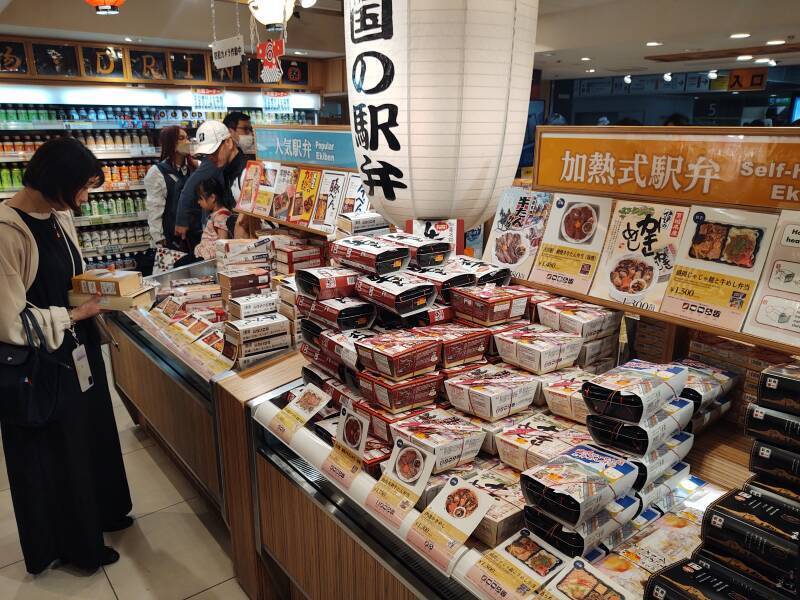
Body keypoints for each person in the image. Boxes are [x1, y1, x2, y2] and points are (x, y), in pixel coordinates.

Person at [0, 137, 132, 574]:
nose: (86, 198)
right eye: (83, 187)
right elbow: (9, 318)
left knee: (91, 436)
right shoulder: (6, 230)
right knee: (60, 454)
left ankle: (105, 514)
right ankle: (76, 547)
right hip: (41, 364)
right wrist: (72, 313)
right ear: (58, 182)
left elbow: (66, 274)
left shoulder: (56, 216)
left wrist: (98, 285)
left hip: (77, 347)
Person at [174, 120, 247, 251]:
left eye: (214, 151)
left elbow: (247, 222)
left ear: (229, 142)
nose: (210, 157)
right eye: (207, 154)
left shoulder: (245, 172)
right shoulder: (224, 168)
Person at [143, 125, 195, 249]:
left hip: (194, 234)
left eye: (187, 138)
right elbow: (154, 208)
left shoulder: (193, 168)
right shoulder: (157, 172)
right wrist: (159, 238)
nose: (187, 142)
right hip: (171, 236)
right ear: (170, 142)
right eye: (181, 138)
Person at [174, 178, 231, 267]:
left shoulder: (221, 216)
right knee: (179, 263)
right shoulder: (215, 215)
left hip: (207, 260)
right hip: (202, 256)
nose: (198, 202)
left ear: (212, 198)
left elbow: (223, 242)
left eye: (200, 198)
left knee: (180, 265)